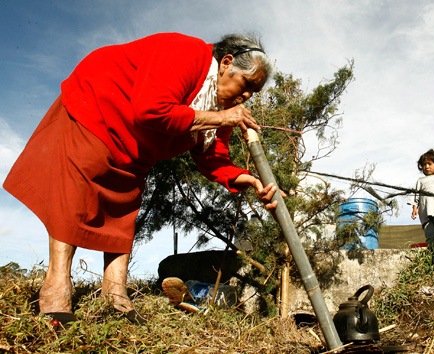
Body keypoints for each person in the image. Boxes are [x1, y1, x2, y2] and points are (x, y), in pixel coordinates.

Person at [3, 32, 279, 325]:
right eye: (247, 84)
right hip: (97, 106)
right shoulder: (185, 53)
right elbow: (151, 110)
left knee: (125, 205)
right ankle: (56, 289)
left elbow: (212, 157)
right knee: (75, 192)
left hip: (136, 149)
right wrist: (221, 118)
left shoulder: (221, 110)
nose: (247, 96)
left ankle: (116, 296)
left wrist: (246, 179)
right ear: (226, 63)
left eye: (253, 92)